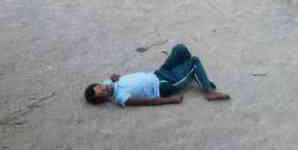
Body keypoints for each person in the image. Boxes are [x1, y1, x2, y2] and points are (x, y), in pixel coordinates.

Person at [84, 44, 229, 106]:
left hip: (158, 73)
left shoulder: (109, 84)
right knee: (194, 61)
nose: (104, 88)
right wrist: (171, 100)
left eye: (100, 86)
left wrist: (116, 78)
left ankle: (192, 75)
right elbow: (149, 102)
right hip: (163, 86)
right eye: (102, 92)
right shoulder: (121, 98)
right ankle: (208, 92)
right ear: (104, 100)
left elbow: (113, 79)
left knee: (180, 49)